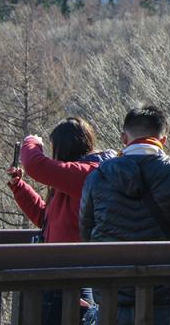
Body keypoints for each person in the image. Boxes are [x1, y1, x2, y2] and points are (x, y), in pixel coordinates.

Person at [79, 103, 170, 325]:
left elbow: (86, 232)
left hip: (113, 298)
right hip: (168, 300)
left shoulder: (98, 178)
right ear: (164, 140)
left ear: (123, 138)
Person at [7, 117, 116, 325]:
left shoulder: (89, 173)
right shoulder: (75, 178)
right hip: (60, 275)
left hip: (75, 278)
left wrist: (32, 142)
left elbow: (34, 165)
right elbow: (45, 218)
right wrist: (19, 187)